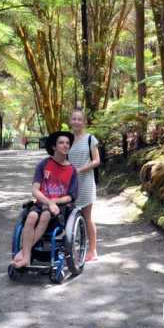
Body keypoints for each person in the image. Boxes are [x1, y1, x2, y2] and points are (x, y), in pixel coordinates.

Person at [10, 130, 78, 269]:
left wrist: (54, 202)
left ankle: (23, 253)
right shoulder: (43, 165)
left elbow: (70, 196)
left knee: (46, 215)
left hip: (60, 207)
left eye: (67, 143)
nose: (65, 145)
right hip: (42, 202)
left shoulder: (72, 170)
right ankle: (27, 257)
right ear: (54, 147)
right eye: (61, 143)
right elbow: (35, 190)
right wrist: (49, 202)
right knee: (31, 217)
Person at [67, 109, 100, 262]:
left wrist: (80, 169)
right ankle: (71, 246)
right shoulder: (67, 140)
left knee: (87, 217)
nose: (76, 121)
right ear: (70, 121)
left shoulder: (90, 139)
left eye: (79, 119)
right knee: (68, 215)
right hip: (70, 182)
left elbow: (96, 160)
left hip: (86, 181)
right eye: (74, 119)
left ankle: (93, 251)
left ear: (84, 122)